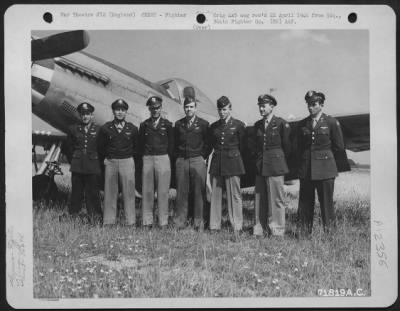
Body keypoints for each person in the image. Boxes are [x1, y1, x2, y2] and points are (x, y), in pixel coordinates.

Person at [295, 90, 345, 236]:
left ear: (321, 105)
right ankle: (304, 234)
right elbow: (298, 147)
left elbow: (339, 147)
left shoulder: (331, 122)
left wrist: (327, 161)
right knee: (305, 203)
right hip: (306, 169)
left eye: (314, 104)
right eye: (308, 105)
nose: (311, 107)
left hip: (325, 169)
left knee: (326, 204)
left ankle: (330, 235)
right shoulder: (302, 124)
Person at [252, 94, 291, 237]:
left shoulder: (281, 124)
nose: (261, 109)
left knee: (277, 200)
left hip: (275, 166)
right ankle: (259, 229)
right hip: (261, 166)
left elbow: (287, 147)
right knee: (260, 199)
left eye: (264, 106)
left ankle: (277, 230)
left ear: (272, 106)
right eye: (260, 106)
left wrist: (278, 160)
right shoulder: (257, 125)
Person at [173, 87, 210, 230]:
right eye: (186, 107)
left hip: (197, 160)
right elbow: (175, 143)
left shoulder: (203, 124)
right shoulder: (178, 124)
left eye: (191, 107)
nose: (188, 109)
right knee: (181, 192)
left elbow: (208, 143)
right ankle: (180, 222)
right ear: (184, 108)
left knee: (198, 192)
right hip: (182, 160)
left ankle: (198, 222)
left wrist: (203, 156)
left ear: (196, 108)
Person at [97, 99, 138, 227]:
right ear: (113, 111)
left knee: (128, 193)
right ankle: (109, 221)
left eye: (122, 110)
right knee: (110, 193)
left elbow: (137, 148)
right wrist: (106, 159)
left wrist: (130, 161)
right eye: (117, 110)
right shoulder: (105, 128)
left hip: (127, 162)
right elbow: (100, 147)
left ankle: (130, 221)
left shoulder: (132, 128)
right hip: (111, 162)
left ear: (126, 112)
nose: (120, 112)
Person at [208, 95, 246, 234]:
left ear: (230, 109)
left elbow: (243, 146)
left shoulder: (239, 125)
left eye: (224, 109)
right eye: (220, 110)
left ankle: (236, 225)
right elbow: (212, 145)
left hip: (233, 163)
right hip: (217, 163)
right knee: (215, 196)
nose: (222, 112)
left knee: (234, 195)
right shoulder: (214, 127)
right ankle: (214, 225)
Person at [139, 95, 174, 229]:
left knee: (163, 191)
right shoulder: (144, 125)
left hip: (163, 158)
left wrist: (166, 158)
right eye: (152, 108)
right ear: (149, 109)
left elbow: (171, 145)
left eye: (157, 108)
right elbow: (141, 144)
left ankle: (163, 221)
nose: (155, 110)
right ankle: (147, 221)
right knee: (147, 191)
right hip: (148, 158)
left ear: (161, 108)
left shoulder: (168, 125)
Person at [64, 102, 102, 223]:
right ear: (80, 115)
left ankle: (95, 217)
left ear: (92, 115)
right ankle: (73, 216)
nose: (85, 116)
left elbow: (102, 149)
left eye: (88, 114)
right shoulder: (73, 129)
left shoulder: (98, 130)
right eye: (83, 114)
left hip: (92, 166)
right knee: (76, 193)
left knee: (93, 193)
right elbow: (67, 147)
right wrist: (73, 159)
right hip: (77, 166)